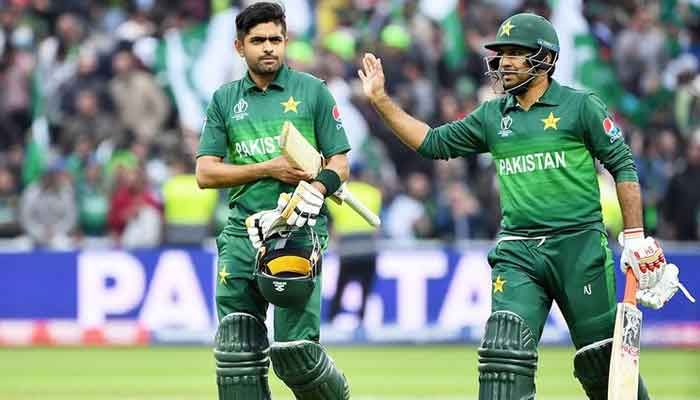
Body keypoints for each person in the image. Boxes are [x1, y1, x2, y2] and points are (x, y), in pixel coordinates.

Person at [358, 13, 692, 400]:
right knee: (503, 356)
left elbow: (623, 165)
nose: (505, 62)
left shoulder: (580, 105)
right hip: (518, 252)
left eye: (517, 53)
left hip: (578, 247)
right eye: (502, 55)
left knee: (604, 365)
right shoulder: (492, 115)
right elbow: (432, 143)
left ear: (546, 59)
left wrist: (634, 237)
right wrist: (381, 100)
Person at [195, 3, 351, 399]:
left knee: (295, 354)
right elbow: (206, 173)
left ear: (287, 42)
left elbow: (340, 164)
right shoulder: (225, 99)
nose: (269, 48)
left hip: (297, 234)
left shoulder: (312, 90)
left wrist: (318, 188)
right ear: (238, 47)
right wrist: (269, 168)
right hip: (242, 235)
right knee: (237, 352)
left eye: (275, 40)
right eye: (258, 41)